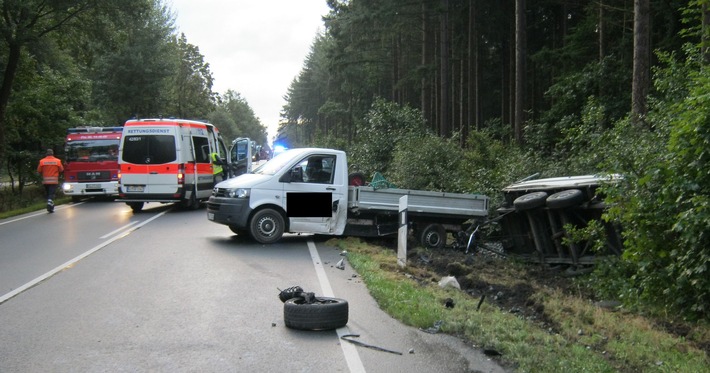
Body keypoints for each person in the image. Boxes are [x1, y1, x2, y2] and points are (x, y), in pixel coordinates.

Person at [37, 149, 64, 213]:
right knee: (51, 194)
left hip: (45, 181)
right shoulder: (57, 161)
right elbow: (61, 170)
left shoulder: (42, 161)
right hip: (53, 180)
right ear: (52, 153)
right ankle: (50, 204)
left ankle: (50, 206)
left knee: (48, 193)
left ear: (46, 154)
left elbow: (39, 170)